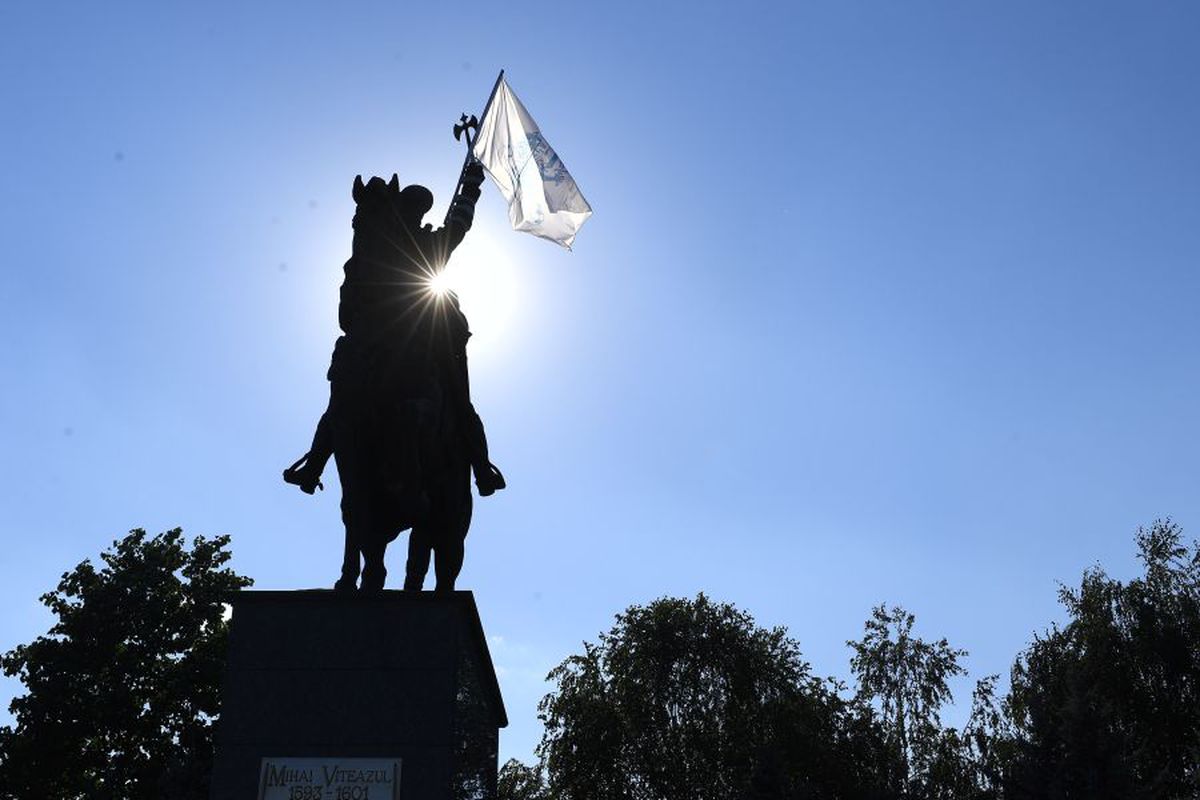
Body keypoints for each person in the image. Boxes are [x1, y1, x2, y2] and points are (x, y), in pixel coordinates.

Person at [283, 161, 504, 507]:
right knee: (343, 392)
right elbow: (346, 311)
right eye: (408, 208)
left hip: (426, 335)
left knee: (459, 398)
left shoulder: (431, 244)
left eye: (416, 209)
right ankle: (314, 464)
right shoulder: (375, 250)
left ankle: (480, 468)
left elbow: (459, 227)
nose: (412, 214)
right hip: (374, 336)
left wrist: (471, 187)